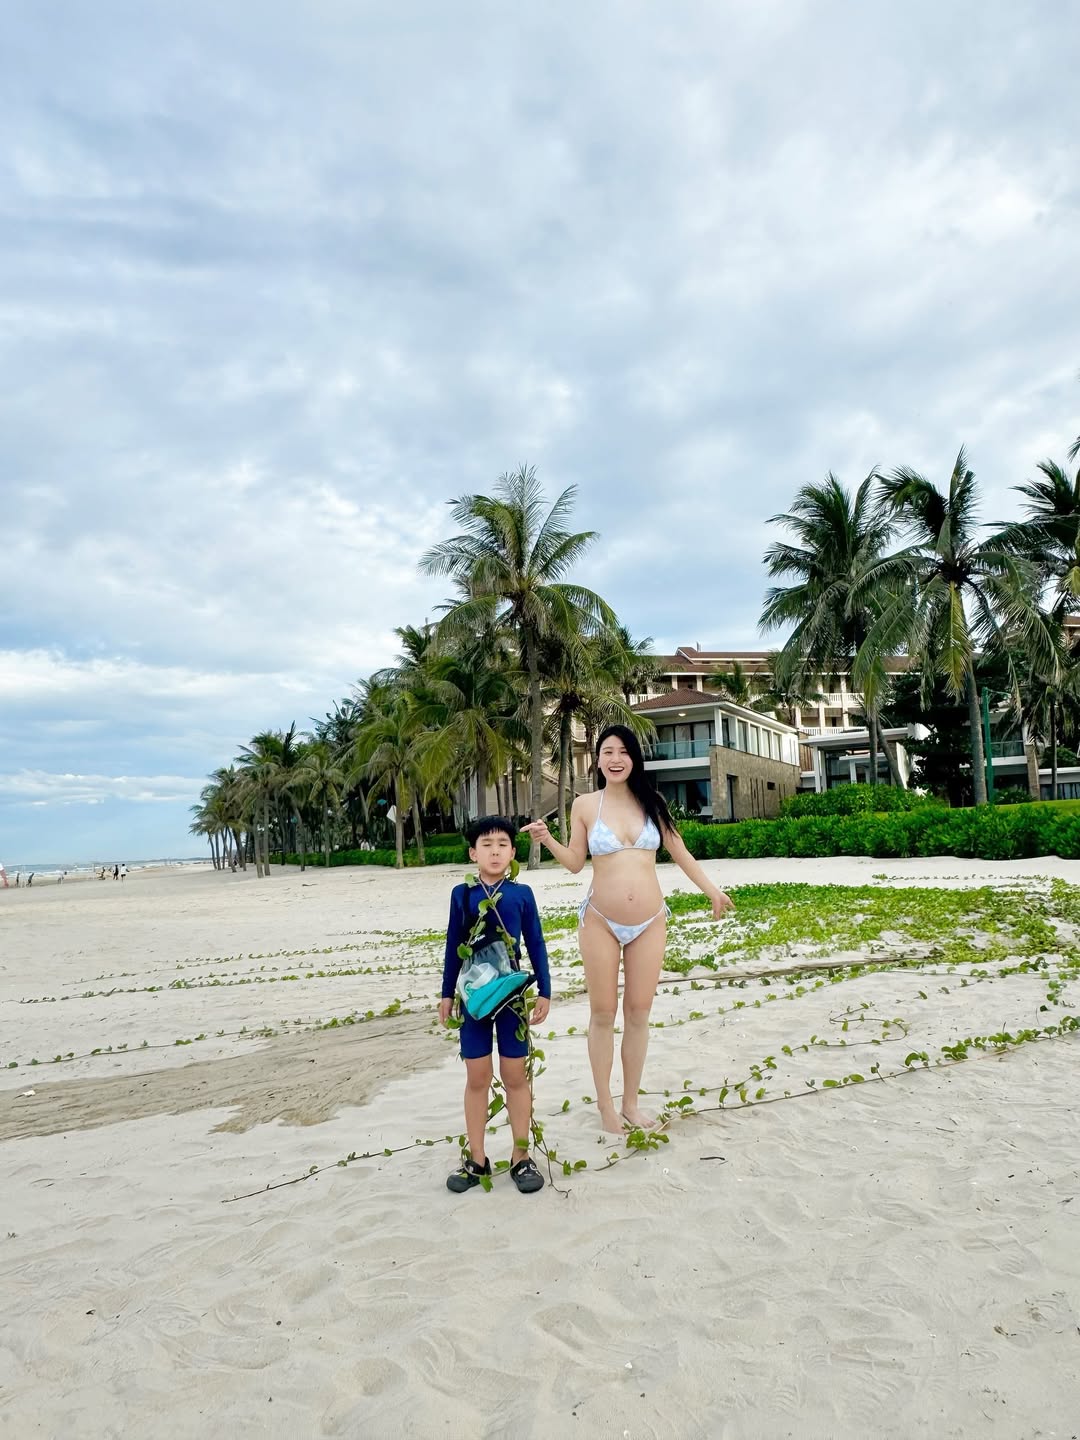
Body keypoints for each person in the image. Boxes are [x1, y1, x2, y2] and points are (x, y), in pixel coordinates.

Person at [522, 724, 735, 1136]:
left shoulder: (652, 802)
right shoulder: (585, 805)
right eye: (607, 752)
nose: (615, 759)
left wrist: (712, 891)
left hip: (650, 920)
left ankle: (631, 1104)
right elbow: (575, 863)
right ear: (597, 760)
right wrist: (547, 839)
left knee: (638, 1013)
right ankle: (606, 1105)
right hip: (600, 920)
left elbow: (679, 850)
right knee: (603, 1013)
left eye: (623, 751)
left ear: (634, 758)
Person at [440, 816, 551, 1195]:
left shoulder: (522, 894)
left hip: (511, 997)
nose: (495, 851)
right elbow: (453, 944)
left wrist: (545, 989)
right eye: (486, 845)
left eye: (502, 844)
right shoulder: (462, 894)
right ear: (473, 853)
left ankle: (522, 1156)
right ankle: (477, 1158)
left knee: (516, 1075)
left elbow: (536, 942)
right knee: (477, 1077)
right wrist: (446, 994)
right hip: (473, 998)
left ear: (513, 852)